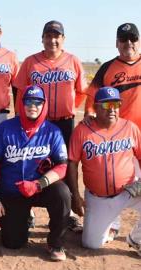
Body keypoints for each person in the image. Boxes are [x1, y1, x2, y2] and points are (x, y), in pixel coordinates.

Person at [13, 20, 87, 232]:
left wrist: (70, 107)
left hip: (64, 122)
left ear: (63, 39)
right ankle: (28, 209)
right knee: (30, 161)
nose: (52, 40)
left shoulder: (73, 61)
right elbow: (19, 92)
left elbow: (82, 91)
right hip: (38, 123)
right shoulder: (31, 62)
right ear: (42, 38)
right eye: (48, 35)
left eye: (57, 36)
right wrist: (20, 117)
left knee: (64, 164)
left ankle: (68, 211)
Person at [0, 85, 71, 261]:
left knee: (62, 193)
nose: (33, 106)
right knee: (12, 243)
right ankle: (22, 219)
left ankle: (55, 243)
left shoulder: (52, 131)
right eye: (28, 102)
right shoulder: (5, 128)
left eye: (38, 102)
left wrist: (38, 184)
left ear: (44, 105)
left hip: (40, 188)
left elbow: (62, 166)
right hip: (13, 191)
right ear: (21, 104)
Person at [67, 86, 141, 256]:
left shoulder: (130, 128)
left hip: (128, 191)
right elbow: (72, 164)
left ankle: (136, 238)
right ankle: (111, 222)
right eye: (107, 105)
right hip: (99, 197)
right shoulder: (82, 131)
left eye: (116, 104)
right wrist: (76, 196)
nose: (112, 109)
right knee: (91, 244)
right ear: (96, 107)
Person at [84, 23, 141, 240]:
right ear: (117, 43)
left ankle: (137, 236)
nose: (129, 43)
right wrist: (90, 113)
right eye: (124, 39)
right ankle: (112, 223)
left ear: (138, 41)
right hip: (121, 136)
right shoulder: (108, 67)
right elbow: (92, 97)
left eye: (133, 39)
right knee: (117, 182)